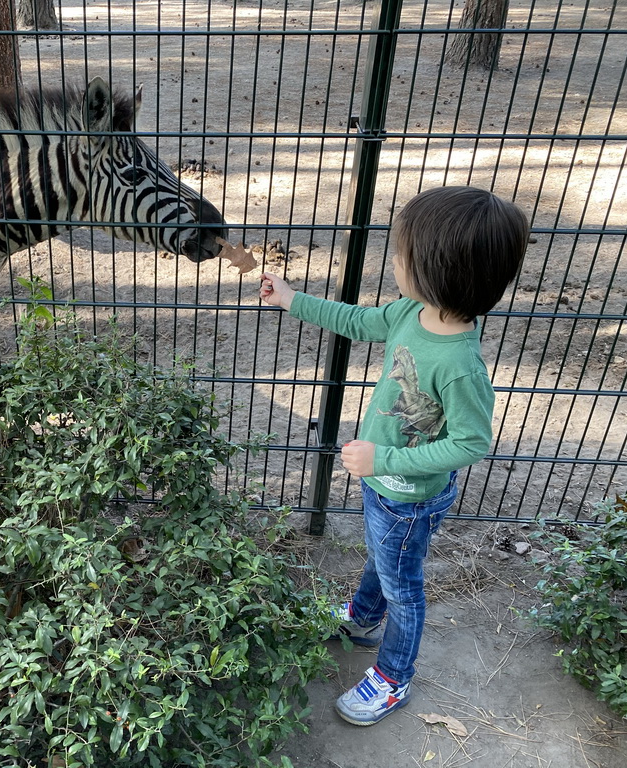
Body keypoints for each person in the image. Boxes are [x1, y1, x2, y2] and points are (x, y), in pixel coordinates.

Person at [259, 186, 530, 726]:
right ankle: (360, 617)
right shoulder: (412, 311)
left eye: (403, 254)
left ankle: (392, 678)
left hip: (409, 495)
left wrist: (383, 460)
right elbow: (359, 322)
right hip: (384, 484)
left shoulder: (459, 364)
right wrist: (292, 300)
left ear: (438, 270)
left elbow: (472, 442)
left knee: (404, 586)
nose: (395, 260)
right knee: (385, 560)